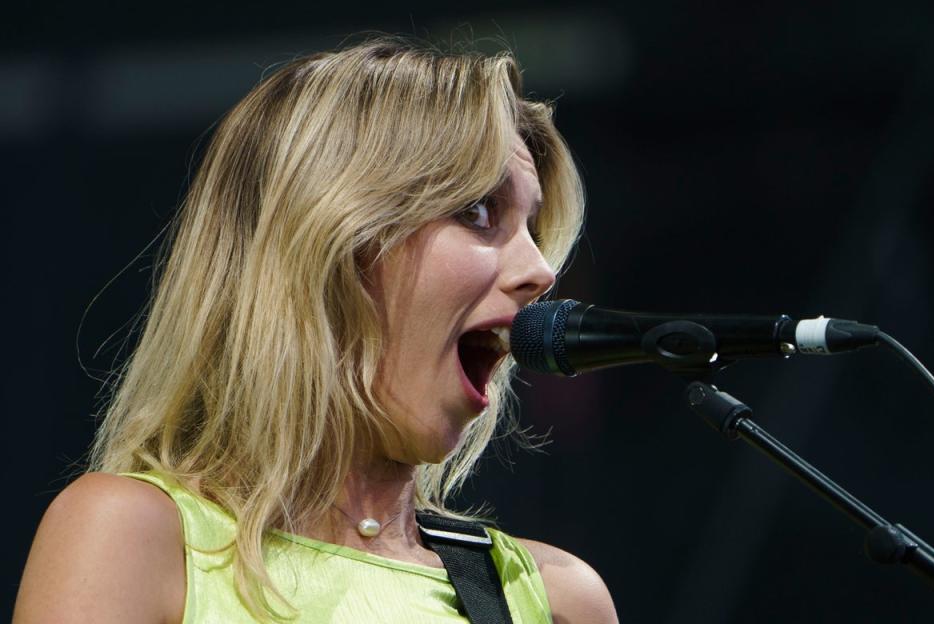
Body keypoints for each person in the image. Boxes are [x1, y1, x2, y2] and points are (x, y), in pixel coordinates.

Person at [13, 37, 618, 623]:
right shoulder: (135, 537)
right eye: (478, 211)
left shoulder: (547, 598)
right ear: (329, 245)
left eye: (533, 229)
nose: (541, 270)